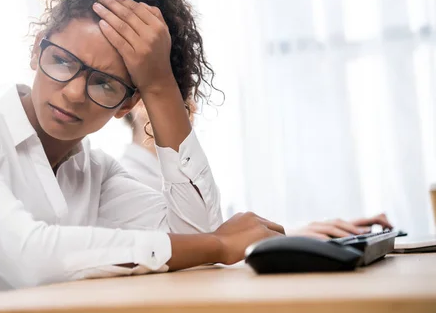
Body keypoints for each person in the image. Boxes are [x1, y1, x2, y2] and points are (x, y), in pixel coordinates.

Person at [0, 0, 285, 311]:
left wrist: (160, 87)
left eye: (105, 83)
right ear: (37, 50)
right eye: (62, 61)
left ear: (128, 104)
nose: (72, 93)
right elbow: (30, 257)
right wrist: (218, 245)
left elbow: (193, 239)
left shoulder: (97, 175)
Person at [120, 100, 392, 240]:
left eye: (187, 92)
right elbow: (196, 254)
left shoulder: (185, 176)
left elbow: (216, 242)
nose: (184, 104)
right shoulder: (125, 183)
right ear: (128, 106)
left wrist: (301, 236)